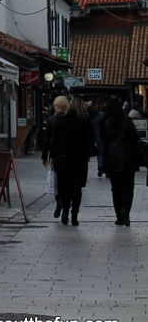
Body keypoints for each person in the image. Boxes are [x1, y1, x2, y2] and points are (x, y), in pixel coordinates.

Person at [49, 97, 95, 226]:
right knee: (77, 188)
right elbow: (91, 139)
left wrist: (52, 156)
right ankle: (74, 215)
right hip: (80, 159)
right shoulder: (84, 122)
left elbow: (55, 141)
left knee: (65, 187)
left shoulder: (61, 121)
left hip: (63, 158)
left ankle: (65, 212)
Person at [99, 96, 141, 226]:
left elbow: (103, 140)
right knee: (128, 187)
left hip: (112, 158)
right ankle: (125, 211)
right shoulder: (126, 121)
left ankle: (119, 215)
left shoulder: (103, 122)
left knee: (115, 188)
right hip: (127, 157)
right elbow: (135, 138)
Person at [41, 95, 68, 218]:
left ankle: (59, 200)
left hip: (56, 155)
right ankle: (66, 204)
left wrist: (44, 156)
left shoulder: (52, 120)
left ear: (56, 106)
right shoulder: (70, 119)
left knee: (58, 180)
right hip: (69, 154)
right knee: (67, 181)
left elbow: (47, 140)